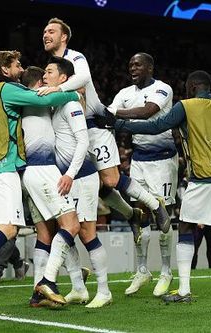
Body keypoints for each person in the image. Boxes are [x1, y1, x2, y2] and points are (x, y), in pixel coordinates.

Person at [95, 70, 211, 306]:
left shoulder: (185, 106)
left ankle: (184, 289)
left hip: (203, 179)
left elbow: (156, 126)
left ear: (193, 86)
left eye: (187, 87)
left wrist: (119, 124)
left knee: (185, 228)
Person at [0, 50, 82, 313]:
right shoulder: (7, 89)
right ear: (5, 70)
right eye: (17, 65)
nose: (21, 68)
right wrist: (72, 94)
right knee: (9, 229)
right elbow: (40, 98)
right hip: (4, 168)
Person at [39, 18, 170, 241]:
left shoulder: (75, 57)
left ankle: (153, 204)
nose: (45, 35)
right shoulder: (51, 68)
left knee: (110, 180)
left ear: (64, 37)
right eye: (44, 31)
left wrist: (57, 88)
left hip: (93, 124)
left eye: (51, 31)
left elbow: (83, 78)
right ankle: (132, 215)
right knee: (97, 185)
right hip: (70, 133)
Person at [44, 56, 112, 308]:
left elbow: (83, 142)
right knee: (67, 228)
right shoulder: (55, 104)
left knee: (87, 233)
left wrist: (70, 174)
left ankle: (104, 291)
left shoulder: (72, 102)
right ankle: (78, 288)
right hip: (65, 179)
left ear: (63, 78)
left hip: (81, 176)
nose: (45, 76)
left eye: (49, 72)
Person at [109, 52, 176, 297]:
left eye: (137, 64)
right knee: (141, 214)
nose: (133, 68)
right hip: (139, 159)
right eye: (130, 65)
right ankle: (143, 270)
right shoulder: (124, 93)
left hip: (163, 160)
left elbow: (147, 112)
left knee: (163, 215)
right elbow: (109, 112)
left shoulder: (162, 89)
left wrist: (118, 118)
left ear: (150, 66)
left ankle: (167, 271)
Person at [16, 65, 81, 307]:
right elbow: (65, 95)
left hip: (30, 174)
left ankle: (36, 295)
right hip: (43, 170)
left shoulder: (25, 104)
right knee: (71, 225)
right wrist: (75, 94)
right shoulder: (36, 98)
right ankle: (48, 281)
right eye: (44, 80)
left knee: (45, 234)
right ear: (40, 86)